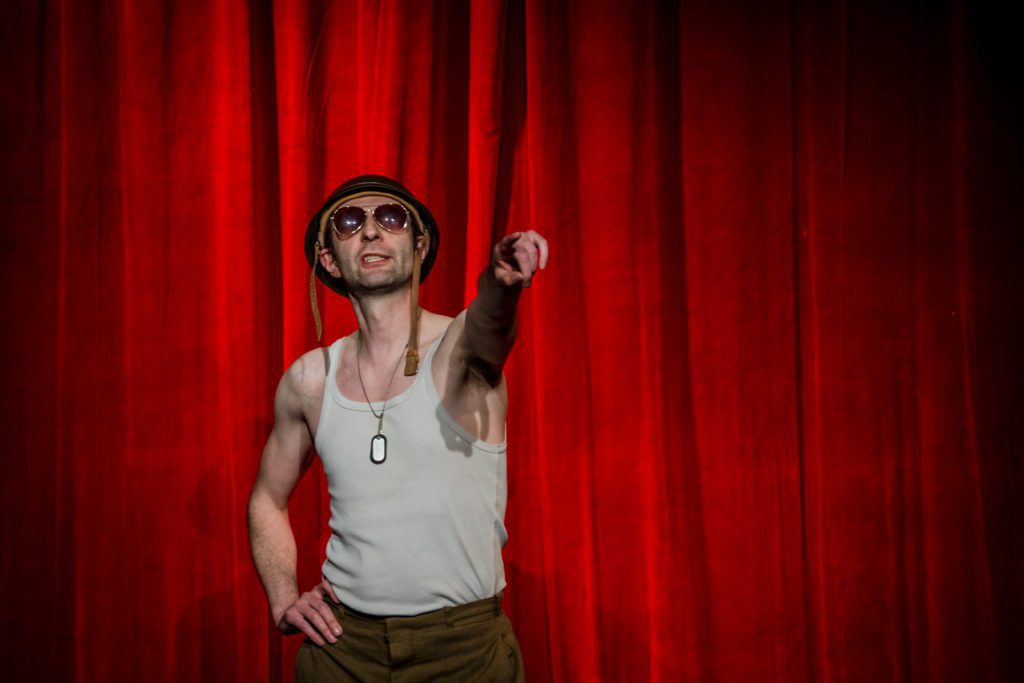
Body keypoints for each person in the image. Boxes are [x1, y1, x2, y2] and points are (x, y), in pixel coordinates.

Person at [247, 175, 548, 681]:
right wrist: (283, 598)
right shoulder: (309, 380)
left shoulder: (458, 349)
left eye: (391, 218)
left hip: (464, 653)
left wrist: (500, 284)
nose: (370, 231)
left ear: (419, 245)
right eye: (349, 221)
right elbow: (266, 500)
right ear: (329, 259)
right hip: (342, 652)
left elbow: (490, 324)